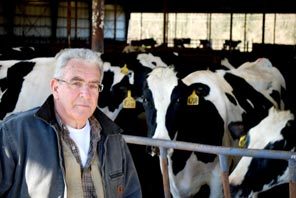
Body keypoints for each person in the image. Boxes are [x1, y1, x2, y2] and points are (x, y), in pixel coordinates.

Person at [0, 48, 142, 197]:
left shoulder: (113, 138)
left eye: (93, 85)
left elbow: (131, 193)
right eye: (76, 83)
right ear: (56, 87)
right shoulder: (15, 133)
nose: (86, 94)